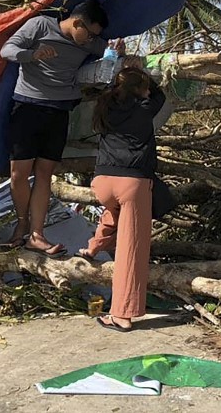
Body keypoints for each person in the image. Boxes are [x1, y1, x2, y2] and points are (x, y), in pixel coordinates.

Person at [0, 0, 122, 256]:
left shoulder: (89, 40)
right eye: (89, 34)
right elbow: (7, 50)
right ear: (77, 22)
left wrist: (117, 50)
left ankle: (37, 235)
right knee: (19, 173)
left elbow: (108, 53)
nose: (90, 41)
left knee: (44, 173)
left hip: (59, 112)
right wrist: (32, 55)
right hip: (27, 107)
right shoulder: (40, 26)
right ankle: (21, 225)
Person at [75, 67, 166, 332]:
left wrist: (123, 72)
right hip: (132, 183)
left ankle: (93, 247)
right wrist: (149, 72)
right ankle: (122, 315)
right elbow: (158, 94)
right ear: (140, 90)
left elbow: (115, 88)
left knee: (114, 212)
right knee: (131, 250)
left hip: (103, 181)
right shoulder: (145, 108)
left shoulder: (105, 106)